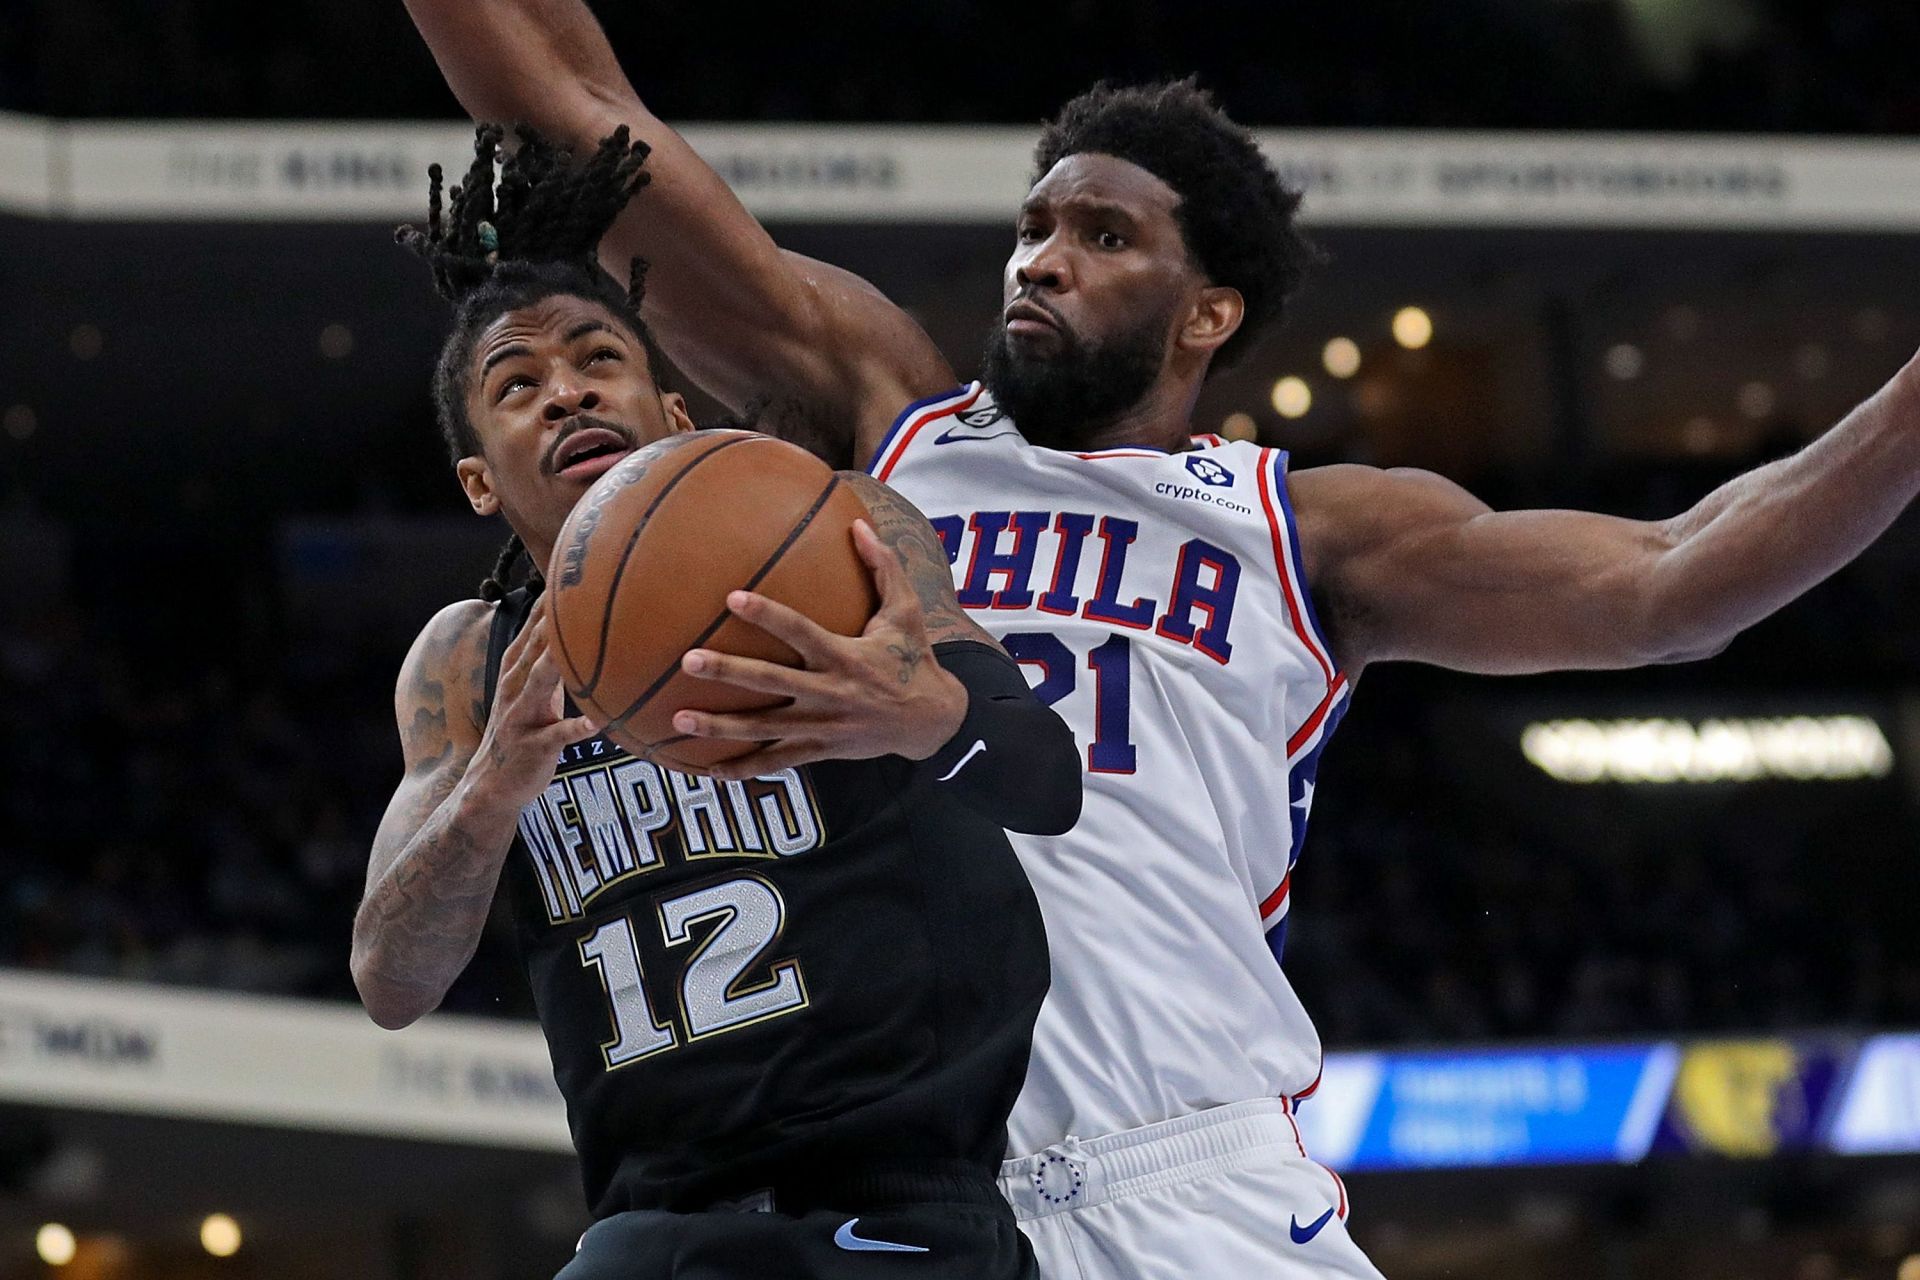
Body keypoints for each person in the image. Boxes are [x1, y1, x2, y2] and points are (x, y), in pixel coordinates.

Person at [402, 5, 1920, 1275]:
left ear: (1207, 313)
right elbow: (577, 106)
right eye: (1033, 225)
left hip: (1190, 1168)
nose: (1039, 259)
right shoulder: (889, 426)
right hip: (921, 1200)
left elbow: (1683, 577)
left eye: (1103, 234)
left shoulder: (1309, 528)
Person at [349, 125, 1082, 1279]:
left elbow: (1047, 779)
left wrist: (922, 715)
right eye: (517, 385)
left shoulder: (841, 532)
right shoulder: (464, 664)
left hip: (893, 1199)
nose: (567, 393)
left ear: (676, 415)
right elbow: (391, 980)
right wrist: (496, 783)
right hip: (653, 1223)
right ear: (480, 480)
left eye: (599, 359)